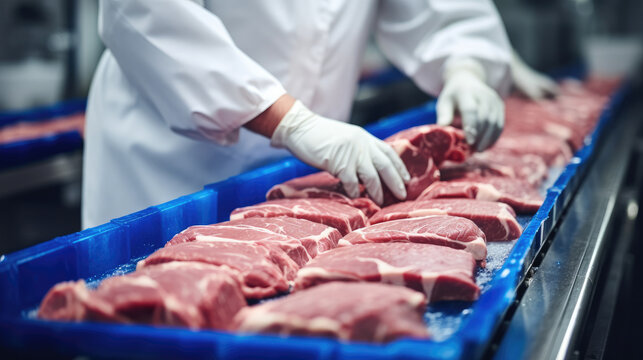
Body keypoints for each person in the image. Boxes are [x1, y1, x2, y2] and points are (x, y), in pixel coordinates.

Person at [82, 0, 514, 229]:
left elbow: (437, 11)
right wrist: (289, 121)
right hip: (166, 165)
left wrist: (465, 65)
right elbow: (146, 12)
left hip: (313, 173)